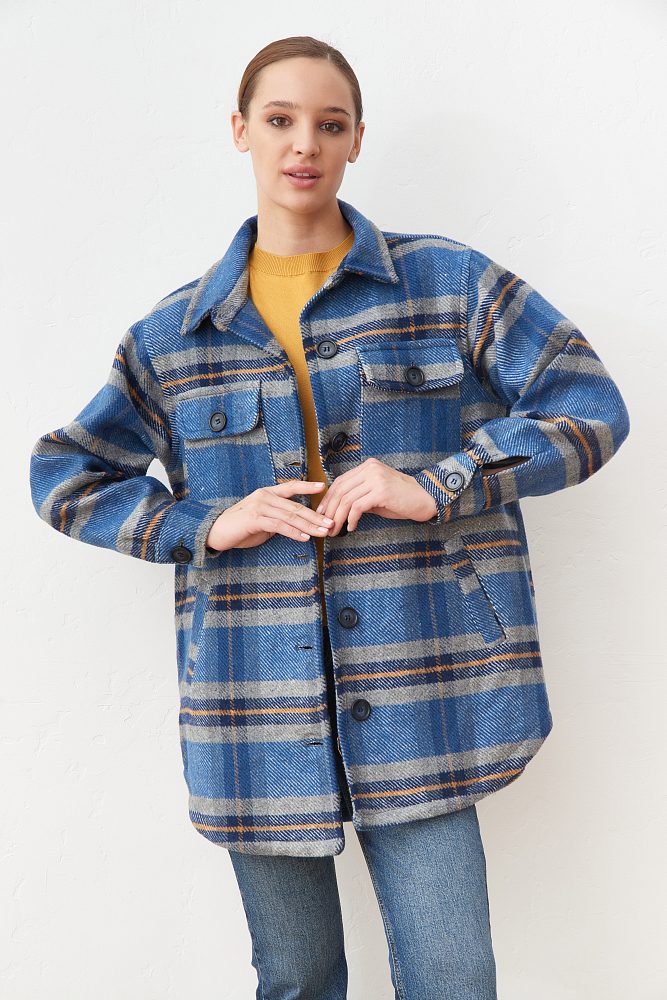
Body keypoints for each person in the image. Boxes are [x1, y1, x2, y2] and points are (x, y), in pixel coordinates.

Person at [29, 34, 630, 1000]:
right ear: (240, 130)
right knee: (297, 979)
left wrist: (440, 481)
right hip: (251, 702)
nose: (303, 143)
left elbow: (588, 406)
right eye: (279, 119)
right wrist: (202, 524)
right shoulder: (174, 336)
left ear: (355, 140)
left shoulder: (447, 284)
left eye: (329, 123)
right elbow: (65, 472)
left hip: (425, 684)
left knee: (451, 977)